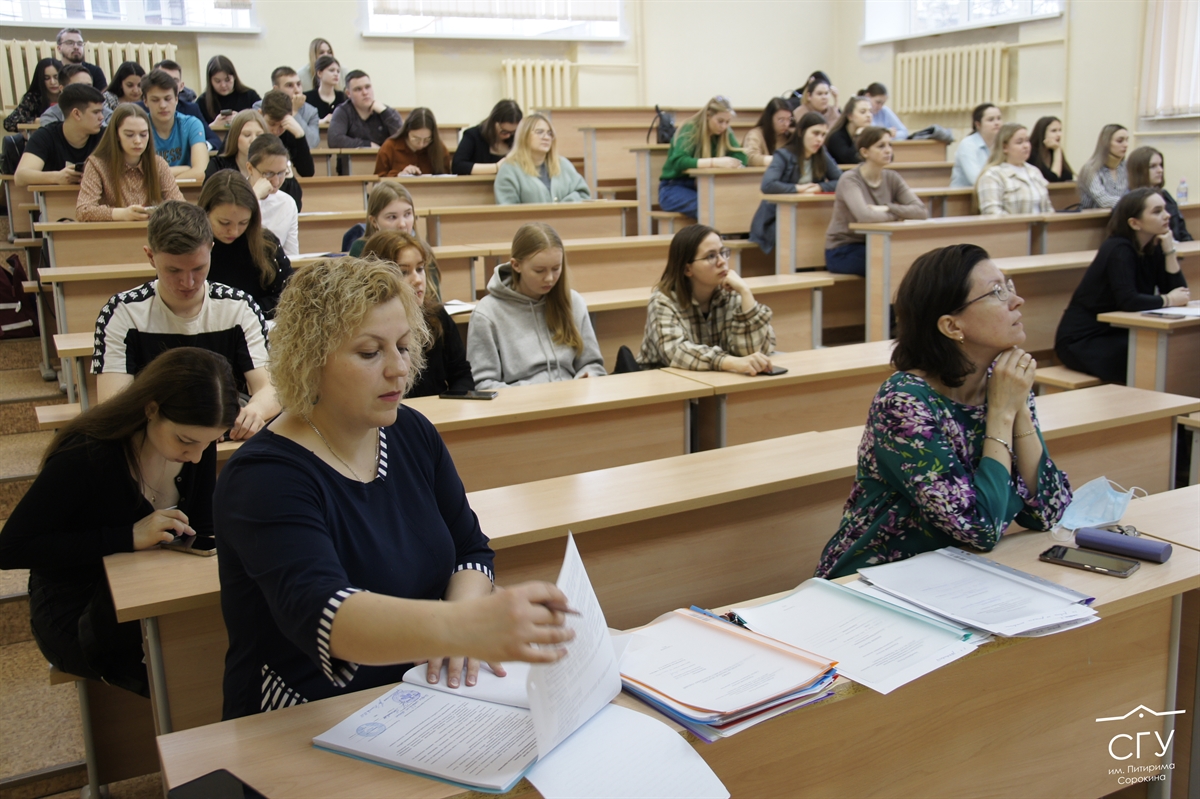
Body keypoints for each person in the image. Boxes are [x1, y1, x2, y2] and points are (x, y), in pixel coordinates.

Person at [214, 255, 574, 719]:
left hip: (423, 689)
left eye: (403, 347)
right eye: (370, 352)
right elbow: (326, 613)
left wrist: (459, 627)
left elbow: (470, 549)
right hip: (307, 712)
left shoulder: (410, 431)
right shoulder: (263, 477)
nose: (398, 369)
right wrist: (461, 625)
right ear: (310, 359)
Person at [815, 243, 1072, 579]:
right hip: (874, 579)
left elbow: (1050, 511)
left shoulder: (1003, 382)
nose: (1015, 300)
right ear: (952, 326)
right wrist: (1002, 414)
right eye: (996, 292)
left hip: (955, 574)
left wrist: (1017, 406)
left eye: (1008, 285)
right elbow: (978, 528)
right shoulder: (904, 401)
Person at [0, 347, 239, 698]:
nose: (197, 456)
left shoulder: (194, 447)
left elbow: (199, 528)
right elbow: (10, 549)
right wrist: (126, 536)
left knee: (220, 653)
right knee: (183, 680)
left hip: (151, 585)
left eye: (210, 443)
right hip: (77, 605)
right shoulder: (87, 453)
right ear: (151, 409)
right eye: (187, 441)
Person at [92, 201, 280, 438]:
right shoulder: (121, 313)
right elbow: (114, 405)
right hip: (154, 441)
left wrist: (255, 410)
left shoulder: (239, 308)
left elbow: (269, 387)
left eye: (199, 268)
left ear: (211, 249)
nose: (188, 282)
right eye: (174, 271)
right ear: (150, 256)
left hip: (225, 437)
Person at [1055, 188, 1189, 384]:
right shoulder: (1118, 249)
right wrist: (1168, 300)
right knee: (1148, 356)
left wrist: (1169, 250)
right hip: (1084, 338)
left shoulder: (1154, 246)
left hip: (1118, 331)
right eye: (1157, 211)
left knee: (1168, 350)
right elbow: (1129, 300)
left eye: (1165, 210)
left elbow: (1180, 293)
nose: (1167, 215)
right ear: (1134, 223)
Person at [467, 222, 606, 388]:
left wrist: (589, 376)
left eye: (556, 268)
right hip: (522, 407)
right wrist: (530, 394)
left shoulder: (573, 302)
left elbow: (593, 364)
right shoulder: (487, 314)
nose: (549, 278)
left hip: (571, 399)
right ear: (516, 265)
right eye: (539, 271)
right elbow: (483, 383)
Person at [637, 224, 776, 374]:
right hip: (664, 383)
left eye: (723, 252)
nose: (722, 261)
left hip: (715, 380)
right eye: (711, 256)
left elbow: (749, 353)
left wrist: (745, 292)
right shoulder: (663, 300)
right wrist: (730, 362)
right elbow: (676, 353)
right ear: (687, 269)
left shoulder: (732, 292)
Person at [360, 230, 473, 397]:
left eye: (420, 269)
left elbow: (462, 374)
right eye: (404, 272)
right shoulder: (367, 326)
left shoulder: (437, 316)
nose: (418, 279)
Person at [824, 127, 928, 275]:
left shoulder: (892, 177)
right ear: (864, 152)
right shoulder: (850, 179)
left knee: (914, 259)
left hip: (877, 243)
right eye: (881, 146)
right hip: (843, 249)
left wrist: (887, 208)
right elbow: (865, 216)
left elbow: (922, 211)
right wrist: (899, 216)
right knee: (893, 262)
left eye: (889, 145)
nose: (888, 150)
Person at [200, 170, 293, 319]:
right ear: (206, 212)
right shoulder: (190, 247)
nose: (234, 231)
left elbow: (289, 295)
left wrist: (246, 310)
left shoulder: (267, 244)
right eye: (224, 223)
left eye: (243, 222)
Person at [749, 111, 842, 253]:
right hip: (775, 219)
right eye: (815, 133)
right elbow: (767, 185)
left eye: (823, 135)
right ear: (800, 132)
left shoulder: (821, 154)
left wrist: (819, 187)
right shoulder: (783, 155)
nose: (819, 139)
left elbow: (842, 181)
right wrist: (799, 188)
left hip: (807, 216)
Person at [76, 103, 183, 222]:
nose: (138, 141)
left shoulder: (158, 164)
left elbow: (181, 206)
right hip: (112, 236)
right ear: (116, 135)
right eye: (129, 135)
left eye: (143, 134)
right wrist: (122, 214)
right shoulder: (97, 164)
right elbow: (83, 210)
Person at [659, 96, 747, 219]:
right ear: (708, 116)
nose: (724, 126)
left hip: (704, 186)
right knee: (709, 207)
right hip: (674, 188)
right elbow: (679, 161)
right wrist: (715, 162)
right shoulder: (690, 128)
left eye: (727, 122)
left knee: (728, 204)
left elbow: (741, 156)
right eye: (720, 121)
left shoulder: (725, 132)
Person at [204, 109, 304, 212]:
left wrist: (288, 176)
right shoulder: (217, 166)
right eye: (247, 135)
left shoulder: (276, 166)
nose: (253, 140)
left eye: (259, 135)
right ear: (235, 137)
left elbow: (295, 207)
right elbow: (209, 205)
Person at [14, 84, 105, 188]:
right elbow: (20, 177)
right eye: (96, 112)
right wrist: (57, 177)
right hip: (54, 201)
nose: (101, 117)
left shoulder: (106, 136)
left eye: (101, 112)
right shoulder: (45, 136)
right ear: (77, 114)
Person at [494, 114, 590, 204]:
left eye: (549, 133)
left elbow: (584, 195)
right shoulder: (509, 169)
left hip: (566, 221)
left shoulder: (563, 164)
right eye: (539, 132)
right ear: (524, 136)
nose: (546, 137)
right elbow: (508, 211)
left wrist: (566, 205)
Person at [140, 69, 208, 182]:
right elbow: (140, 175)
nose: (162, 105)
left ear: (176, 99)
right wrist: (185, 169)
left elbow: (201, 172)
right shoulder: (139, 127)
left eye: (168, 99)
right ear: (145, 102)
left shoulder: (192, 124)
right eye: (155, 100)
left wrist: (162, 181)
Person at [975, 123, 1053, 216]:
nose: (1026, 146)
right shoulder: (992, 175)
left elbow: (1048, 208)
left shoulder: (1034, 171)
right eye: (1019, 142)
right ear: (1005, 147)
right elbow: (992, 213)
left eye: (1027, 141)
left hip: (1040, 229)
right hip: (1012, 229)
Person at [247, 134, 300, 257]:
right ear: (250, 168)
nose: (276, 182)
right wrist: (255, 196)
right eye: (268, 173)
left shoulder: (287, 203)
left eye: (281, 173)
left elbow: (291, 255)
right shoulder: (233, 194)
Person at [1128, 145, 1192, 242]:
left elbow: (1182, 231)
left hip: (1176, 249)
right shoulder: (1129, 201)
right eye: (1153, 166)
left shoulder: (1165, 196)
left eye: (1161, 165)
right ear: (1139, 170)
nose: (1160, 170)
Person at [151, 61, 221, 150]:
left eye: (174, 81)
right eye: (163, 80)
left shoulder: (191, 109)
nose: (168, 85)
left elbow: (214, 140)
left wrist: (199, 147)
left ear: (181, 86)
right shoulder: (140, 111)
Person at [327, 71, 401, 149]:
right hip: (352, 160)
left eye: (367, 87)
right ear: (348, 93)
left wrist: (385, 112)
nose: (365, 92)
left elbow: (403, 139)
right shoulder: (342, 111)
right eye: (358, 89)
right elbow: (334, 140)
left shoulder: (385, 110)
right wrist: (367, 144)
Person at [344, 180, 418, 256]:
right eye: (392, 217)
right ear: (374, 221)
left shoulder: (420, 249)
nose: (402, 224)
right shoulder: (361, 249)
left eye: (407, 214)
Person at [253, 67, 321, 148]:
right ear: (276, 89)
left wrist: (294, 112)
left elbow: (312, 143)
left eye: (298, 84)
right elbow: (257, 139)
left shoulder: (311, 111)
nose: (297, 90)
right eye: (290, 85)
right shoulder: (260, 106)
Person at [258, 90, 317, 182]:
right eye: (272, 124)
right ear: (260, 114)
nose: (276, 131)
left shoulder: (289, 132)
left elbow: (307, 172)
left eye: (282, 125)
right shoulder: (252, 132)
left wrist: (300, 135)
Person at [452, 99, 522, 176]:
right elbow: (457, 166)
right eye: (504, 131)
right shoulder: (473, 135)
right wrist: (496, 167)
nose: (508, 136)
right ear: (493, 122)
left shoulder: (517, 138)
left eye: (512, 132)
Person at [375, 107, 450, 177]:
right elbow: (378, 182)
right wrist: (399, 175)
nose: (421, 144)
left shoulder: (439, 148)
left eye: (427, 140)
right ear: (407, 130)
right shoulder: (390, 147)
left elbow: (447, 179)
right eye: (416, 139)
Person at [38, 64, 113, 127]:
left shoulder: (104, 112)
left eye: (89, 86)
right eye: (78, 87)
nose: (86, 91)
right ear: (62, 89)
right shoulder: (51, 116)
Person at [1077, 124, 1130, 210]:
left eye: (1127, 140)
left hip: (1121, 216)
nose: (1126, 145)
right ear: (1106, 143)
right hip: (1093, 220)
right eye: (1120, 141)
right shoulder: (1090, 169)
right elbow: (1104, 201)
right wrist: (1133, 202)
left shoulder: (1127, 166)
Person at [197, 55, 260, 125]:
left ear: (234, 77)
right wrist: (214, 126)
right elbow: (196, 131)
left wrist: (241, 119)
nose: (223, 85)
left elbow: (263, 122)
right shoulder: (202, 102)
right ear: (210, 81)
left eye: (227, 80)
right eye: (217, 81)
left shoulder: (250, 96)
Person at [951, 103, 1002, 187]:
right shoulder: (968, 145)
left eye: (999, 118)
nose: (997, 123)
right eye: (991, 120)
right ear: (978, 124)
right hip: (964, 196)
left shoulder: (1001, 143)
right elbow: (976, 179)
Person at [3, 58, 61, 133]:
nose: (52, 82)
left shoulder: (70, 96)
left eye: (56, 77)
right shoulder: (34, 97)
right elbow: (9, 123)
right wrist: (34, 121)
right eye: (46, 78)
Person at [742, 97, 793, 167]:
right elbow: (751, 158)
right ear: (770, 119)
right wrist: (780, 160)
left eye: (789, 119)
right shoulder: (755, 134)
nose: (786, 124)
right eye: (781, 120)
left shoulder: (790, 135)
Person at [825, 96, 874, 165]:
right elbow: (850, 159)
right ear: (850, 116)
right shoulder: (836, 137)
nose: (868, 115)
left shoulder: (869, 134)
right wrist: (858, 136)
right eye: (863, 112)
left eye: (870, 111)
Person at [1028, 116, 1073, 183]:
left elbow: (1068, 176)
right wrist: (1057, 150)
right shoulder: (1031, 153)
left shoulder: (1053, 150)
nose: (1059, 134)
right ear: (1042, 133)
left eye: (1060, 130)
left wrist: (1057, 151)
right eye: (1053, 131)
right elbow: (1052, 179)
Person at [303, 55, 344, 121]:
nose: (336, 74)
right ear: (319, 73)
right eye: (331, 70)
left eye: (338, 71)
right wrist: (322, 122)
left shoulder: (343, 97)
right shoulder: (307, 98)